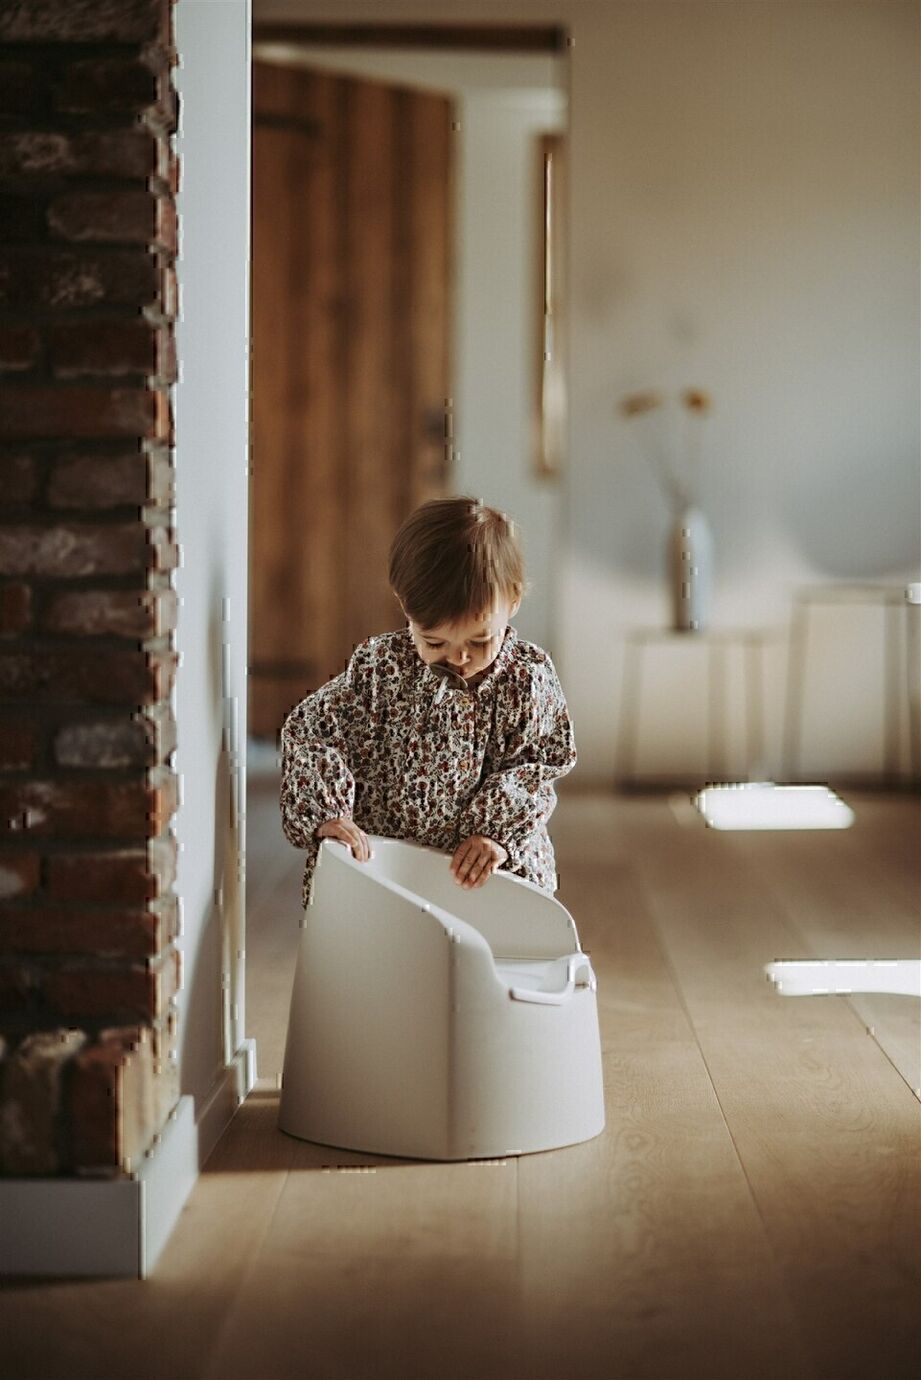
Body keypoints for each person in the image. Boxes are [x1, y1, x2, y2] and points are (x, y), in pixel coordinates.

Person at [279, 495, 577, 908]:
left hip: (487, 864)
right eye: (434, 642)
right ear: (405, 607)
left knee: (509, 917)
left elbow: (537, 764)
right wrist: (329, 812)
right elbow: (313, 732)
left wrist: (496, 831)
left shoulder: (526, 679)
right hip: (390, 859)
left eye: (480, 641)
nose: (459, 657)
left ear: (513, 600)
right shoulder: (382, 668)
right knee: (365, 920)